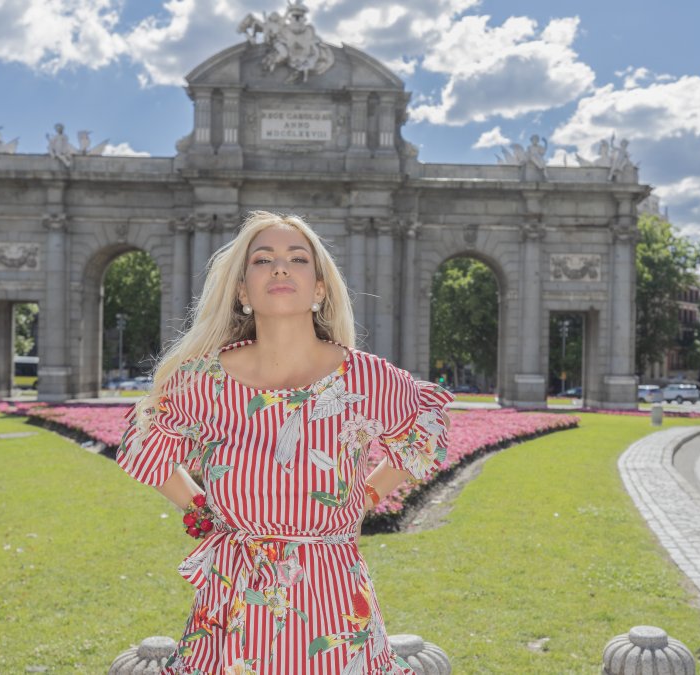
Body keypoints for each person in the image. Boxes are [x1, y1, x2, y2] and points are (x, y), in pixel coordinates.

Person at [116, 211, 454, 674]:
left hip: (334, 609)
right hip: (232, 608)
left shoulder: (368, 378)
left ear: (319, 289)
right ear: (241, 290)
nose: (280, 267)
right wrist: (200, 509)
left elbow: (420, 437)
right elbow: (146, 447)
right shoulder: (203, 381)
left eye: (297, 258)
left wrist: (363, 498)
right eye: (263, 259)